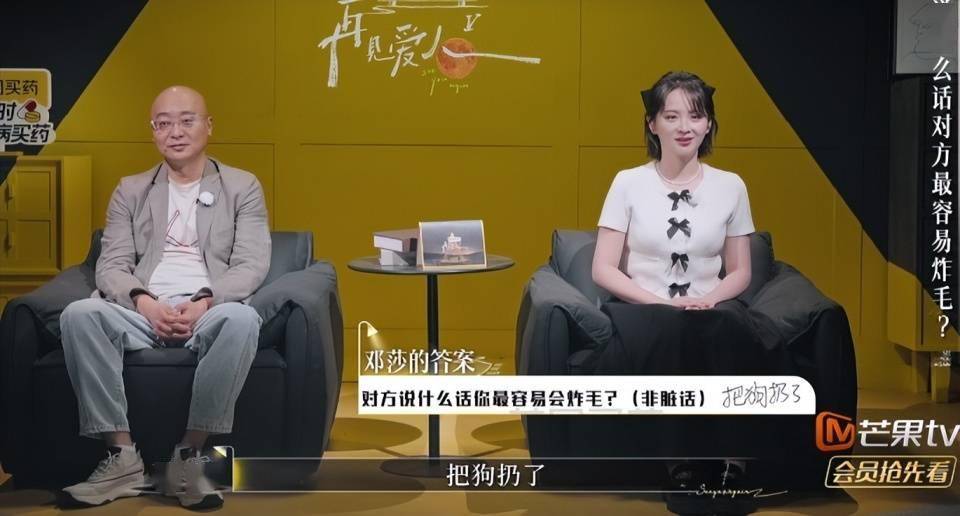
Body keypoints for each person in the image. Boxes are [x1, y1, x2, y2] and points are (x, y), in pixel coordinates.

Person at [58, 85, 271, 509]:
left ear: (208, 126)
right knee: (78, 314)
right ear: (153, 131)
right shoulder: (131, 189)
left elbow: (251, 264)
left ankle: (188, 457)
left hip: (209, 308)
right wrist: (145, 302)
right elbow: (111, 265)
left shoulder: (241, 186)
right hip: (142, 310)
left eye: (187, 121)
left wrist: (204, 301)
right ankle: (121, 457)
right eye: (163, 123)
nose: (175, 132)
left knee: (243, 320)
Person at [591, 71, 784, 514]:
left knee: (732, 329)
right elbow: (603, 268)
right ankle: (683, 468)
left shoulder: (731, 185)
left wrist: (711, 298)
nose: (685, 127)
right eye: (672, 116)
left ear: (709, 124)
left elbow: (740, 270)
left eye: (696, 116)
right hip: (643, 307)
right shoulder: (627, 182)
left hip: (709, 305)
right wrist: (663, 303)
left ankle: (734, 465)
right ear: (651, 124)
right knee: (674, 331)